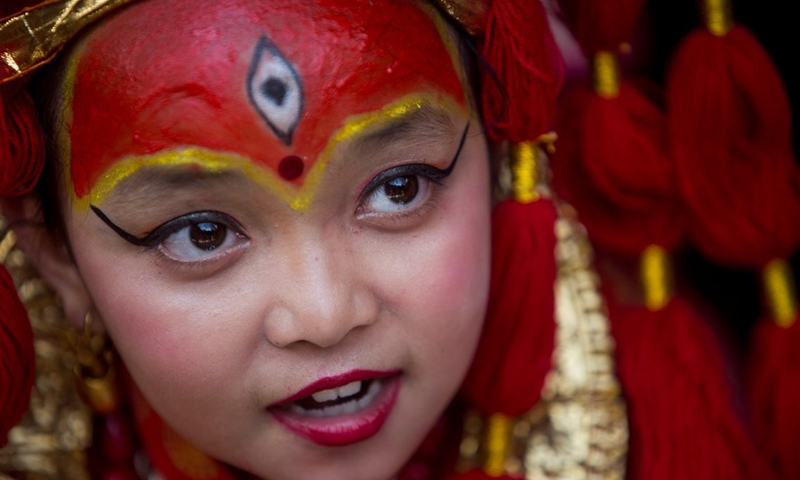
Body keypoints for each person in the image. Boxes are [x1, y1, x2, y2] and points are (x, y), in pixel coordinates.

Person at [0, 0, 789, 479]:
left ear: (502, 161)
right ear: (56, 258)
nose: (326, 313)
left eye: (397, 188)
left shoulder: (679, 431)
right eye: (201, 233)